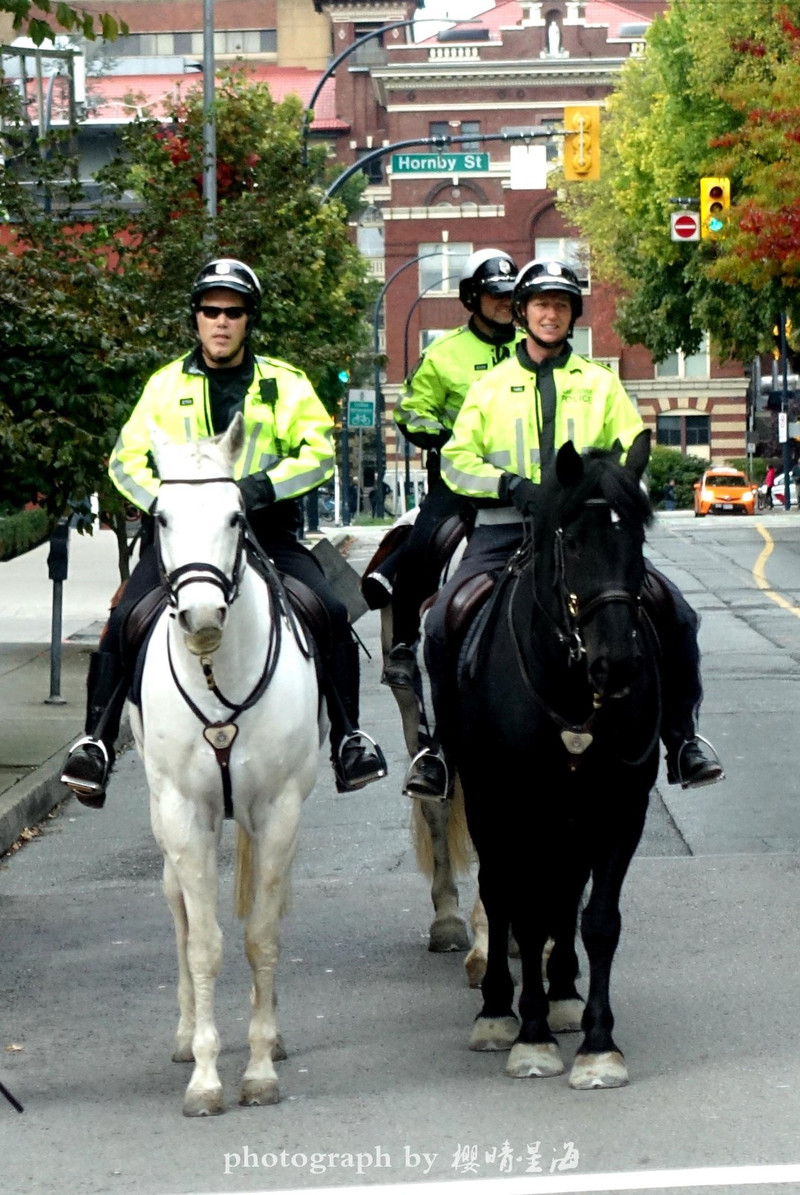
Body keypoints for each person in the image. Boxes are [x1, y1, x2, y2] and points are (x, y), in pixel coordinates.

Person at [61, 257, 386, 805]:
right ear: (196, 318)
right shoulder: (164, 386)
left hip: (267, 532)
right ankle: (95, 741)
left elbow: (317, 454)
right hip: (185, 540)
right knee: (124, 619)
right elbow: (125, 461)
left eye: (232, 312)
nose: (220, 321)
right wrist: (166, 504)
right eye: (210, 310)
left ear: (247, 320)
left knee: (329, 610)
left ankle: (350, 740)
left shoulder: (284, 383)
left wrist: (258, 488)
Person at [405, 258, 724, 800]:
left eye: (560, 305)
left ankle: (682, 740)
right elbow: (457, 458)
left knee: (679, 615)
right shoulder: (490, 386)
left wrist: (608, 497)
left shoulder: (601, 384)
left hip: (587, 536)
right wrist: (510, 487)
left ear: (571, 315)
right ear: (523, 313)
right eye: (540, 304)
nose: (549, 314)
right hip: (505, 530)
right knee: (442, 624)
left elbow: (629, 452)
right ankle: (444, 750)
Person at [368, 248, 524, 688]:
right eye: (494, 294)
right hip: (460, 480)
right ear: (472, 298)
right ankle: (403, 643)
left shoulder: (531, 347)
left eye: (511, 295)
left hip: (525, 478)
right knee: (424, 543)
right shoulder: (444, 354)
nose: (504, 303)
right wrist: (445, 438)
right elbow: (410, 410)